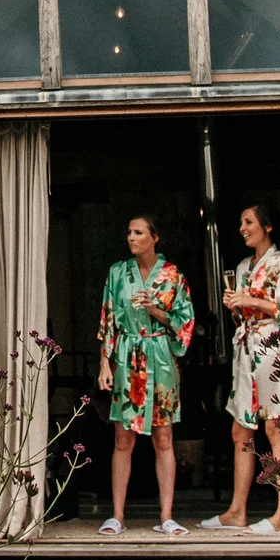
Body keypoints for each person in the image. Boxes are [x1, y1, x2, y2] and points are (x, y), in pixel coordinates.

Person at [96, 213, 196, 535]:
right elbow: (107, 321)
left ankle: (166, 516)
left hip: (160, 358)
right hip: (126, 357)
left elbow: (185, 323)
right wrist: (104, 364)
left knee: (163, 438)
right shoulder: (117, 273)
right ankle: (117, 516)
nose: (131, 237)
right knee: (122, 438)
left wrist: (155, 309)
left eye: (138, 232)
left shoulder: (172, 276)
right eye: (128, 232)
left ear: (155, 237)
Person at [204, 202, 280, 534]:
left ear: (267, 226)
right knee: (240, 430)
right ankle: (236, 511)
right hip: (246, 350)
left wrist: (252, 302)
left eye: (249, 222)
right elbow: (242, 310)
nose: (242, 228)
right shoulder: (244, 266)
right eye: (241, 222)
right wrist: (235, 307)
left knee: (275, 429)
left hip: (272, 349)